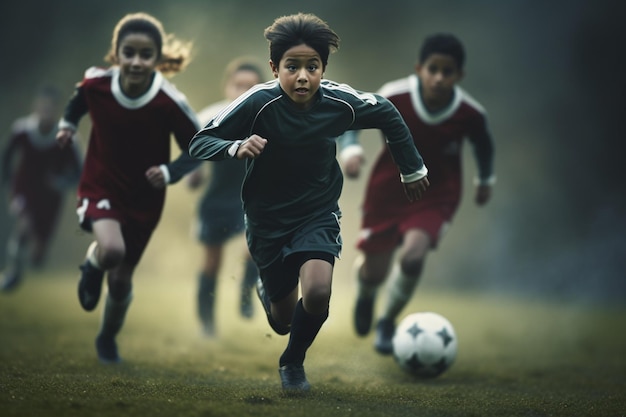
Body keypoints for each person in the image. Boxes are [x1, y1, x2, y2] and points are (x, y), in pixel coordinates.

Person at [188, 13, 429, 392]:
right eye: (292, 67)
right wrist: (235, 147)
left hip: (317, 212)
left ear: (323, 68)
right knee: (281, 320)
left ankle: (292, 363)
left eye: (312, 67)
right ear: (274, 67)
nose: (303, 76)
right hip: (266, 220)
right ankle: (269, 294)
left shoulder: (339, 102)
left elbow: (385, 111)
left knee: (317, 292)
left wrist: (411, 168)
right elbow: (200, 141)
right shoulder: (258, 102)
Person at [55, 12, 201, 364]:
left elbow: (199, 147)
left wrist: (169, 172)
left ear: (157, 58)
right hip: (101, 185)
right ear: (116, 54)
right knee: (111, 250)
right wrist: (67, 125)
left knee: (120, 281)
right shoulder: (97, 85)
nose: (136, 62)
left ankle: (106, 338)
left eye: (145, 54)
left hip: (144, 199)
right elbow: (78, 102)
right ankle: (92, 266)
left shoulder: (169, 101)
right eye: (129, 53)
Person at [342, 33, 496, 355]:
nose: (439, 78)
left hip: (437, 194)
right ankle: (367, 295)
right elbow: (355, 118)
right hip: (387, 190)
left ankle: (387, 323)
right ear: (419, 69)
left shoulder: (470, 113)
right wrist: (352, 149)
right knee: (374, 270)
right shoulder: (393, 95)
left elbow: (483, 143)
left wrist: (485, 179)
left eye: (447, 71)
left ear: (459, 75)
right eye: (433, 69)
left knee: (412, 258)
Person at [188, 57, 265, 336]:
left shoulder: (270, 118)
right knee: (212, 261)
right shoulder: (210, 117)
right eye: (239, 85)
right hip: (217, 197)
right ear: (227, 87)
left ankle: (247, 288)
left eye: (251, 86)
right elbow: (193, 149)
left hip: (252, 197)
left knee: (257, 247)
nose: (244, 91)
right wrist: (193, 172)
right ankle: (206, 322)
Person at [1, 86, 82, 292]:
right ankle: (13, 273)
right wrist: (9, 182)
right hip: (25, 189)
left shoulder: (67, 136)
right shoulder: (22, 130)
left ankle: (36, 255)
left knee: (38, 252)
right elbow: (7, 158)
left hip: (50, 197)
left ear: (57, 110)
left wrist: (61, 182)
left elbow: (78, 171)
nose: (45, 112)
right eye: (42, 107)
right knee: (24, 227)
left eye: (50, 108)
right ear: (35, 107)